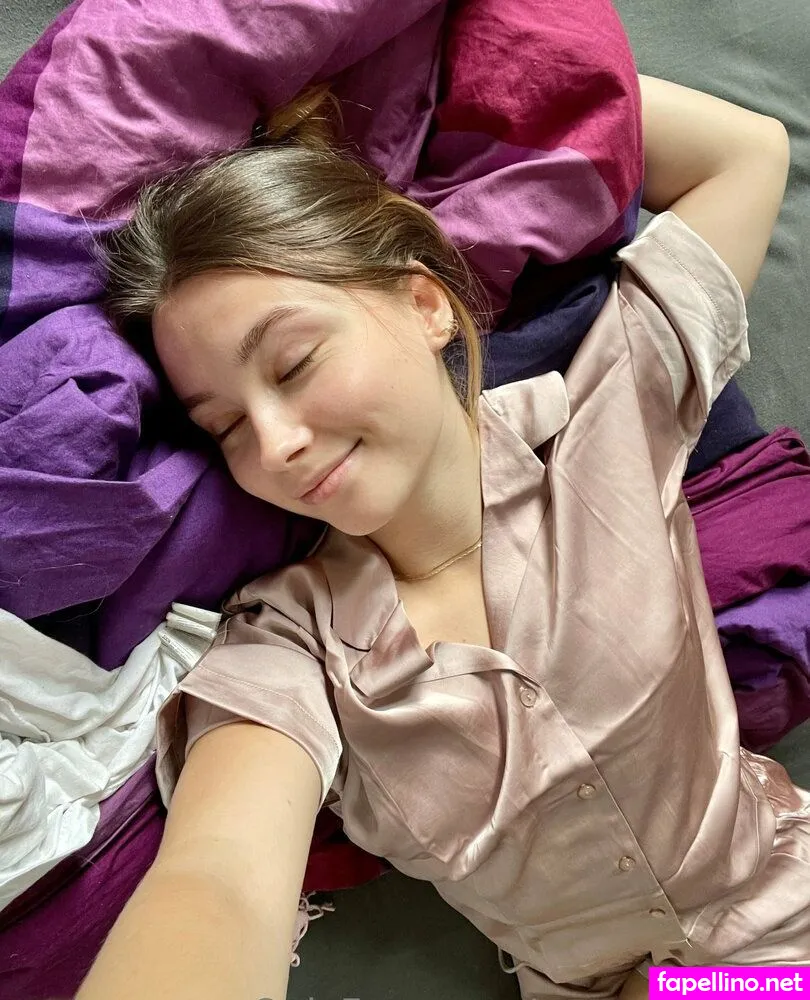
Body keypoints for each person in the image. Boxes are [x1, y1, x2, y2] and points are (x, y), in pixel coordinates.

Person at [77, 73, 796, 1000]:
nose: (274, 443)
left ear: (424, 305)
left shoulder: (610, 417)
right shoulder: (289, 643)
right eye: (226, 427)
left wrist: (439, 62)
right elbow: (217, 878)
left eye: (293, 364)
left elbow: (747, 156)